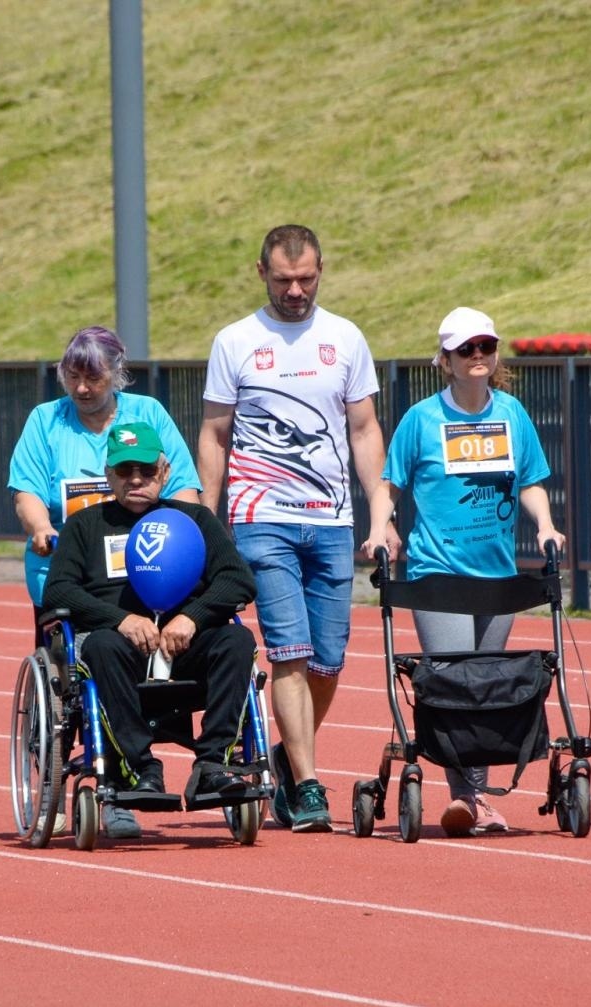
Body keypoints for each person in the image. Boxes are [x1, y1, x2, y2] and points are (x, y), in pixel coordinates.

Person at [197, 224, 396, 833]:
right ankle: (308, 786)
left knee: (328, 662)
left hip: (331, 521)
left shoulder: (345, 337)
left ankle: (286, 758)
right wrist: (205, 521)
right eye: (284, 280)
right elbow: (215, 434)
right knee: (289, 651)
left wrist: (381, 513)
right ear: (262, 273)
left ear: (321, 270)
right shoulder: (235, 341)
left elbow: (363, 429)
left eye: (306, 278)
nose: (295, 290)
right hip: (261, 519)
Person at [362, 307, 565, 836]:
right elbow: (390, 484)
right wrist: (380, 528)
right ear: (445, 359)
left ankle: (475, 796)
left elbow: (531, 481)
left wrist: (545, 524)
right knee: (456, 681)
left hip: (496, 576)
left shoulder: (512, 414)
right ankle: (468, 797)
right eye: (466, 349)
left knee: (489, 684)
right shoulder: (422, 419)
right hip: (438, 573)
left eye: (485, 347)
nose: (478, 356)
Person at [42, 422, 258, 839]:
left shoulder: (195, 519)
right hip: (119, 650)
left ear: (164, 471)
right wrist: (119, 619)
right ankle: (140, 768)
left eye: (146, 470)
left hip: (185, 647)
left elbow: (238, 579)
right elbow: (59, 590)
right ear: (109, 475)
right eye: (125, 471)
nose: (136, 479)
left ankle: (213, 764)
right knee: (101, 647)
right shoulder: (85, 526)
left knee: (238, 639)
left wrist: (192, 617)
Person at [9, 325, 203, 627]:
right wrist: (41, 527)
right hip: (70, 572)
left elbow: (182, 489)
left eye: (93, 378)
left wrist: (189, 536)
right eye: (73, 377)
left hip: (149, 566)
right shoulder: (45, 420)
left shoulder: (148, 413)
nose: (81, 388)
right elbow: (27, 491)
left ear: (116, 372)